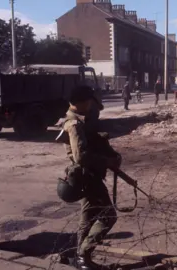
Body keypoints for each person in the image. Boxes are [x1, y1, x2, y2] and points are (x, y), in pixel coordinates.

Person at [61, 85, 121, 270]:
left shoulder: (77, 120)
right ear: (80, 102)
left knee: (87, 217)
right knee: (108, 216)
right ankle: (83, 254)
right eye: (88, 101)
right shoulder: (74, 124)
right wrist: (107, 161)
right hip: (88, 176)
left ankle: (79, 253)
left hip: (86, 176)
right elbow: (81, 157)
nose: (90, 105)